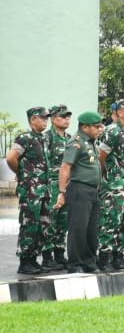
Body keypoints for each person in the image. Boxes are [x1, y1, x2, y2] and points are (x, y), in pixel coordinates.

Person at [52, 112, 105, 273]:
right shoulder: (76, 142)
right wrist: (61, 192)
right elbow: (65, 167)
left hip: (93, 190)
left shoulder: (90, 142)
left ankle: (89, 262)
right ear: (85, 127)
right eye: (96, 126)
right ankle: (75, 264)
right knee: (78, 228)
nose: (100, 129)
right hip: (79, 189)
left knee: (92, 229)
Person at [5, 107, 50, 275]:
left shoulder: (43, 138)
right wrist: (21, 174)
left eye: (47, 118)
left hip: (43, 190)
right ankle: (25, 261)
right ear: (33, 119)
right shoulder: (25, 138)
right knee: (29, 224)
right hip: (31, 191)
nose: (46, 121)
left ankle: (33, 259)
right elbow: (11, 158)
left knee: (42, 224)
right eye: (43, 118)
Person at [97, 99, 124, 271]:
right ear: (120, 112)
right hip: (115, 184)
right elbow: (100, 156)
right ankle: (104, 257)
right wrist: (109, 178)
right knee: (111, 220)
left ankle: (118, 255)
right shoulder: (112, 131)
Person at [40, 105, 73, 271]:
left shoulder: (70, 138)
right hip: (52, 184)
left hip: (68, 185)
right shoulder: (47, 138)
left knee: (63, 221)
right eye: (62, 116)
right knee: (50, 220)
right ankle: (47, 256)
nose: (66, 119)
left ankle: (59, 253)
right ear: (53, 119)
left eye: (68, 116)